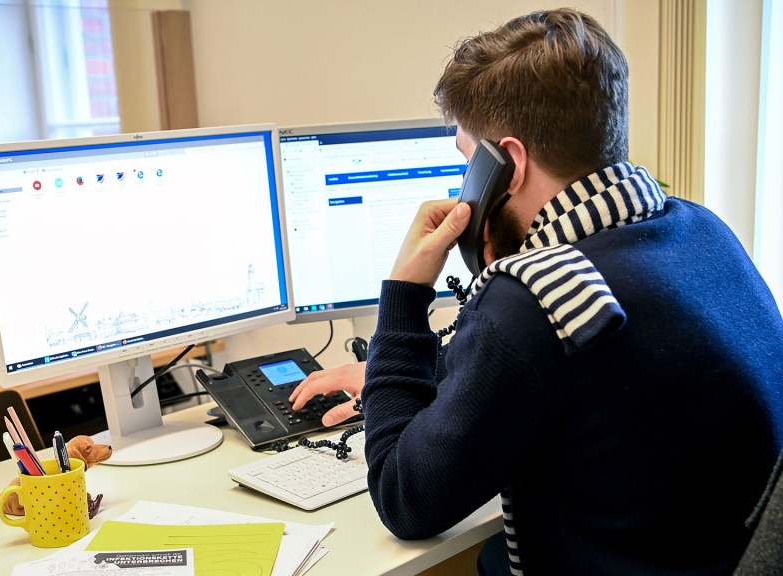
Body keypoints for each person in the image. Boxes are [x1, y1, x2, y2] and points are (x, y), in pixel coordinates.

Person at [290, 8, 783, 575]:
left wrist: (403, 294)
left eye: (468, 160)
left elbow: (405, 500)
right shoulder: (698, 230)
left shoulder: (533, 297)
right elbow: (564, 377)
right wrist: (407, 373)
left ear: (508, 166)